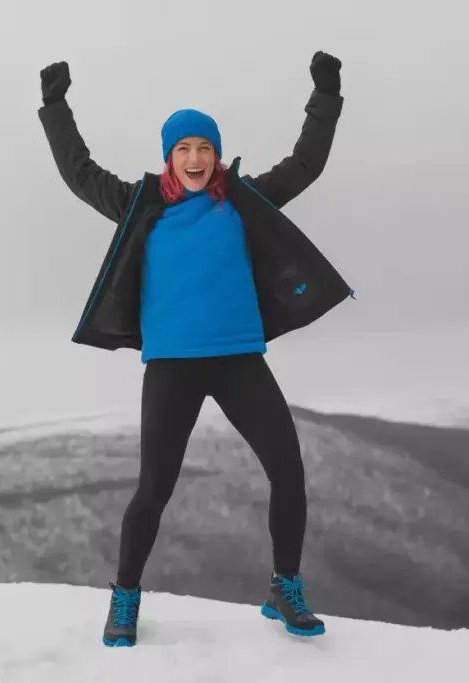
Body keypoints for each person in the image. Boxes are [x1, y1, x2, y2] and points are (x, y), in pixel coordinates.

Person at [37, 51, 352, 647]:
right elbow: (79, 173)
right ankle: (125, 597)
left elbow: (306, 163)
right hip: (172, 367)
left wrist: (326, 95)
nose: (195, 158)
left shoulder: (245, 199)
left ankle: (284, 587)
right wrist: (56, 107)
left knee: (288, 470)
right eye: (183, 148)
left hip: (238, 360)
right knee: (153, 489)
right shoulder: (139, 204)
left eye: (204, 147)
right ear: (169, 157)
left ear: (216, 154)